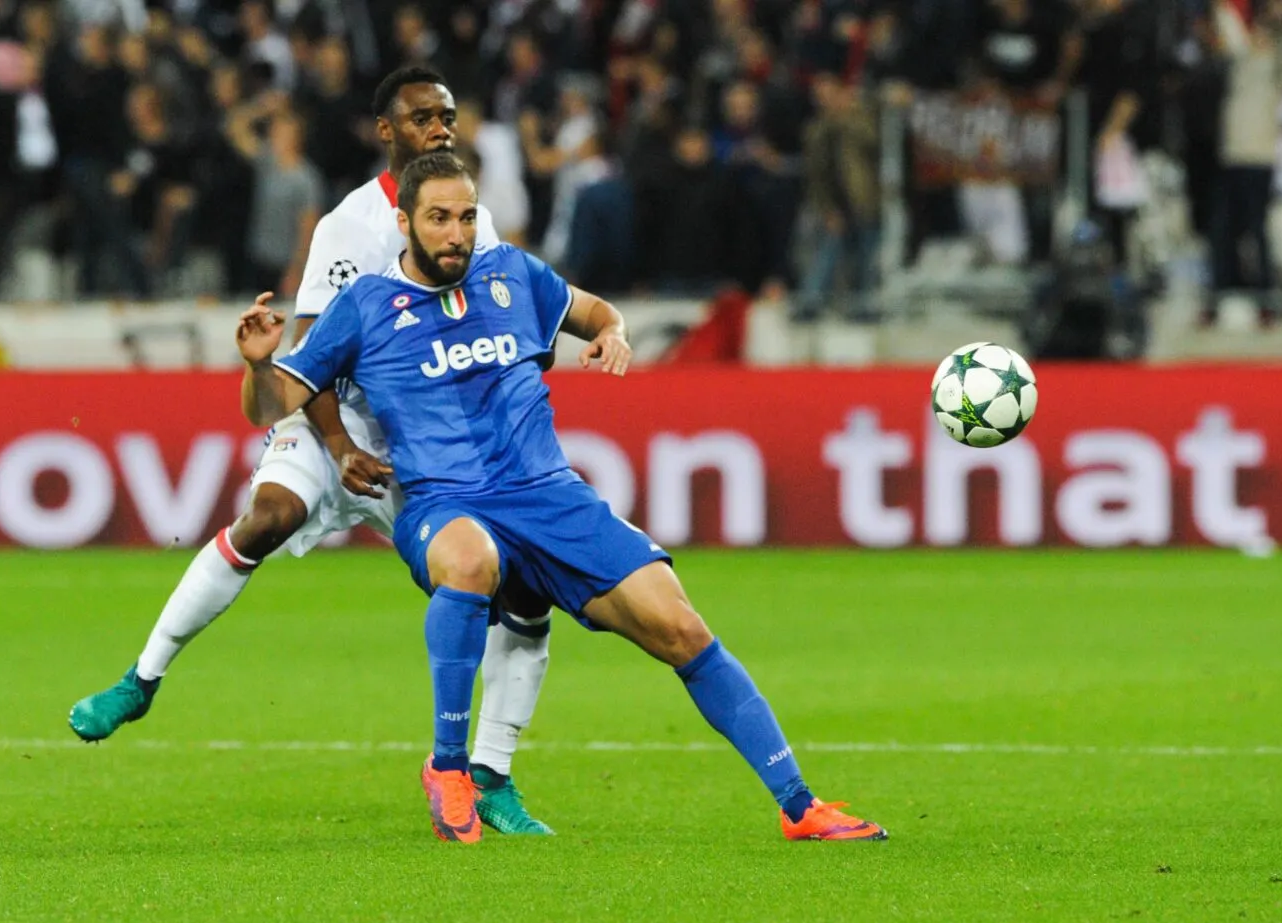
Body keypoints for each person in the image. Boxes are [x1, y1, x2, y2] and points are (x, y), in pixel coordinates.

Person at [237, 151, 889, 845]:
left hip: (550, 497)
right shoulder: (363, 306)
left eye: (464, 216)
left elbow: (593, 309)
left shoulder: (513, 275)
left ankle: (799, 805)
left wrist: (613, 332)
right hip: (444, 500)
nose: (455, 233)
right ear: (404, 222)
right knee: (468, 561)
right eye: (438, 218)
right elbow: (275, 403)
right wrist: (256, 366)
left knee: (682, 627)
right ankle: (451, 769)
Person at [68, 68, 555, 836]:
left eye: (449, 115)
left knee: (520, 589)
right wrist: (337, 443)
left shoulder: (474, 222)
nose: (441, 127)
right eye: (422, 116)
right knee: (267, 515)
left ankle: (491, 774)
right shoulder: (347, 225)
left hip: (418, 445)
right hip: (334, 421)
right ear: (385, 131)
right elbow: (312, 351)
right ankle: (141, 679)